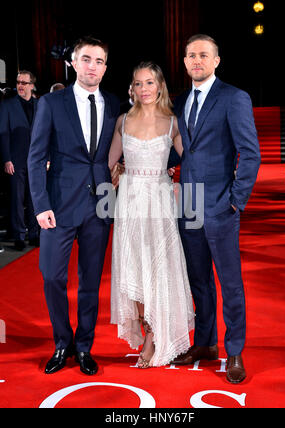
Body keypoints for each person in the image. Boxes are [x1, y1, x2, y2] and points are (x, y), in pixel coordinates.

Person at [171, 34, 261, 384]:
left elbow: (249, 153)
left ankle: (234, 349)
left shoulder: (233, 98)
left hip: (221, 205)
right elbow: (185, 150)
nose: (197, 60)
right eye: (191, 55)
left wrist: (236, 199)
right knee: (199, 280)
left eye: (203, 55)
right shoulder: (181, 101)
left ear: (216, 60)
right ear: (184, 61)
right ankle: (206, 343)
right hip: (188, 203)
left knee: (229, 281)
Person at [27, 36, 120, 375]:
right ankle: (61, 341)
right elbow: (35, 157)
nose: (92, 66)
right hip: (58, 207)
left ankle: (83, 346)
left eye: (98, 60)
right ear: (74, 63)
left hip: (99, 207)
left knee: (91, 282)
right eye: (86, 59)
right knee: (51, 276)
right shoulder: (52, 103)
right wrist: (40, 205)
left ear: (105, 67)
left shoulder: (113, 104)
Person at [109, 62, 195, 368]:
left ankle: (153, 339)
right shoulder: (122, 121)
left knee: (158, 269)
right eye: (138, 83)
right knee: (134, 269)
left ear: (160, 86)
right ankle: (148, 330)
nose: (143, 89)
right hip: (129, 204)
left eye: (149, 83)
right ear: (132, 88)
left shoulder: (172, 123)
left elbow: (194, 159)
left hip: (159, 204)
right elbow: (108, 162)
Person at [0, 71, 39, 251]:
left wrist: (47, 159)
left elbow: (47, 134)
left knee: (34, 198)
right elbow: (3, 134)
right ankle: (18, 236)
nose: (20, 85)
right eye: (18, 82)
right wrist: (7, 159)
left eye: (24, 82)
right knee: (16, 198)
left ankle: (34, 234)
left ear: (32, 85)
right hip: (15, 159)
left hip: (37, 160)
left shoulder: (41, 105)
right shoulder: (7, 105)